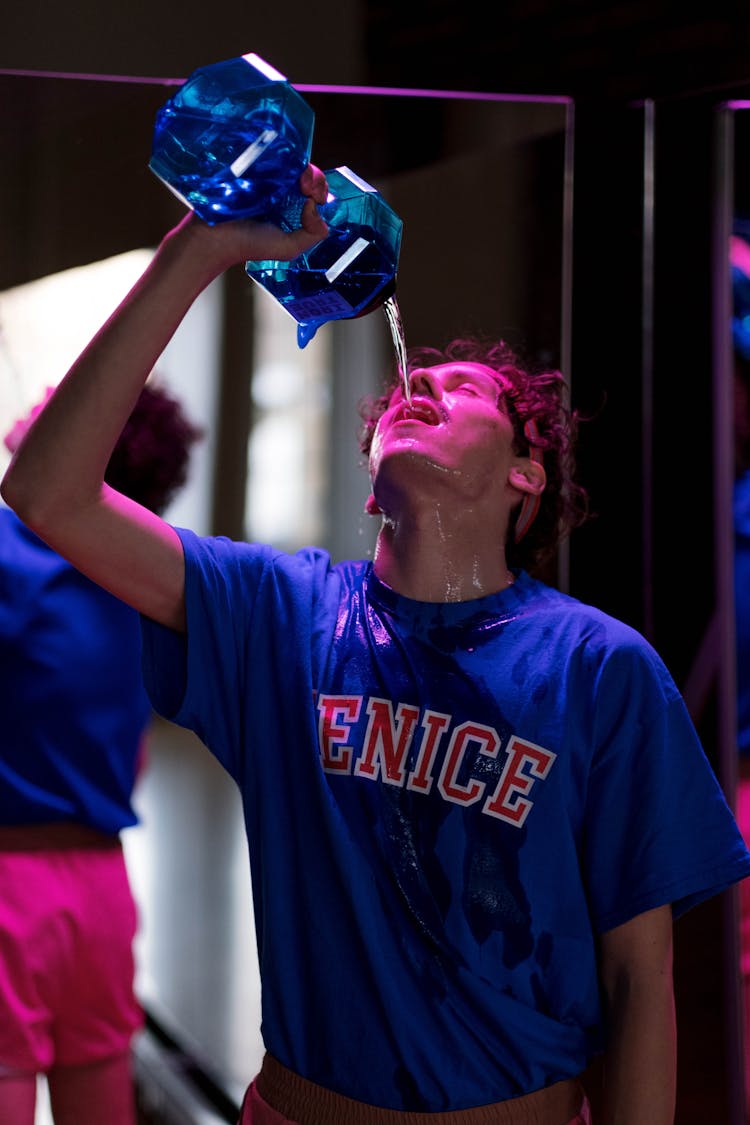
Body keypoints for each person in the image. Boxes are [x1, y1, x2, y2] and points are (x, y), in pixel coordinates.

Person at [3, 162, 750, 1125]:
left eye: (466, 386)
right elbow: (46, 492)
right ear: (370, 489)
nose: (422, 381)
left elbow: (640, 980)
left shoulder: (600, 667)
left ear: (528, 474)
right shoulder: (281, 612)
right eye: (415, 378)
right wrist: (203, 247)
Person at [0, 380, 202, 1125]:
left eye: (61, 401)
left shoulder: (12, 549)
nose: (38, 400)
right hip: (100, 890)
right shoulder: (146, 576)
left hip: (8, 888)